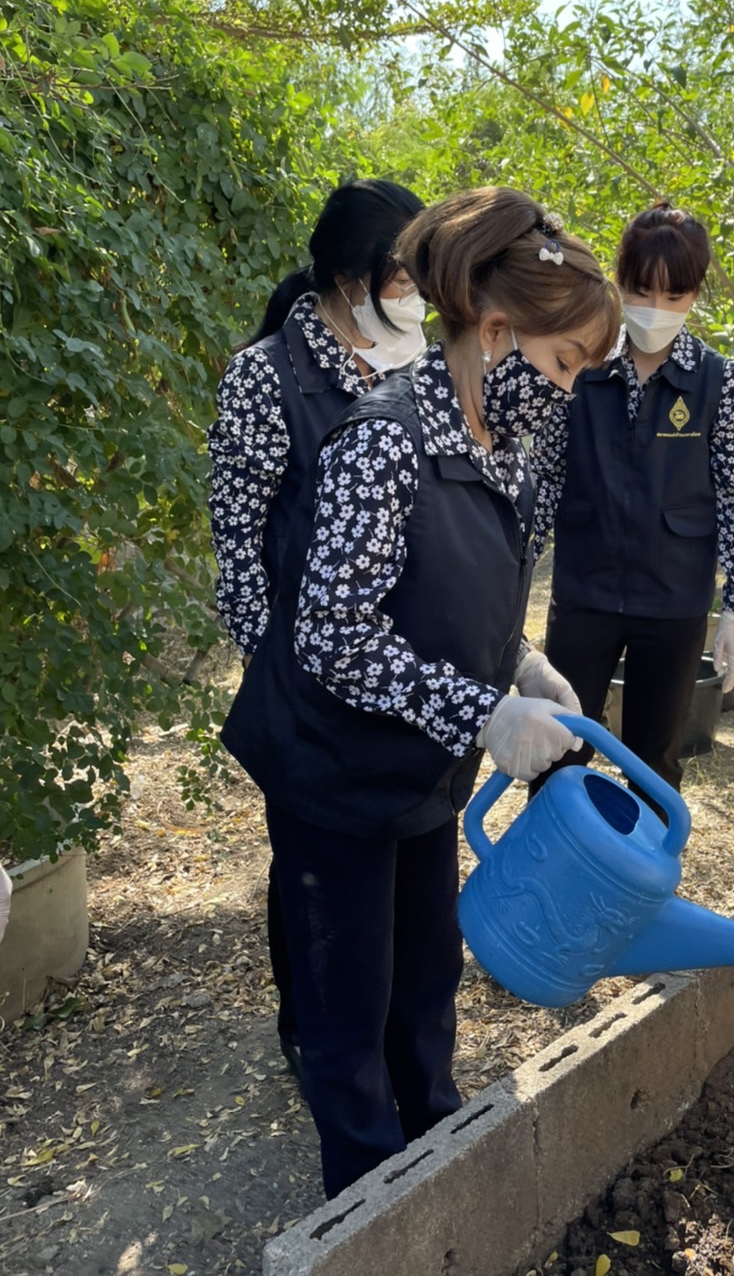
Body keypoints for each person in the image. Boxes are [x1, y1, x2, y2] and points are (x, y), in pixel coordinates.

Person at [219, 186, 621, 1199]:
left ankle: (434, 1158)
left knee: (425, 981)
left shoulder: (504, 449)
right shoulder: (381, 443)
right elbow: (330, 634)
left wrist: (520, 662)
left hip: (419, 770)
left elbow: (457, 593)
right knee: (346, 1006)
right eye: (564, 362)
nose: (567, 389)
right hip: (336, 771)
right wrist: (484, 711)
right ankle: (365, 1201)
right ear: (494, 330)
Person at [207, 177, 424, 1085]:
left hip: (399, 668)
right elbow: (238, 537)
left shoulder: (413, 363)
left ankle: (392, 1040)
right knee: (311, 870)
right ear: (348, 279)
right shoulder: (267, 378)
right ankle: (311, 1027)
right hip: (305, 681)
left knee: (402, 879)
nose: (419, 296)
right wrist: (280, 669)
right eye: (405, 276)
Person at [530, 200, 734, 798]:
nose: (655, 310)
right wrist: (510, 574)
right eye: (640, 291)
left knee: (653, 765)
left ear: (694, 294)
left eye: (674, 296)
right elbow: (544, 479)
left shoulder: (719, 383)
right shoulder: (577, 367)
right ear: (618, 281)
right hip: (585, 594)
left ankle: (635, 888)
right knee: (559, 749)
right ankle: (550, 881)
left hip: (674, 600)